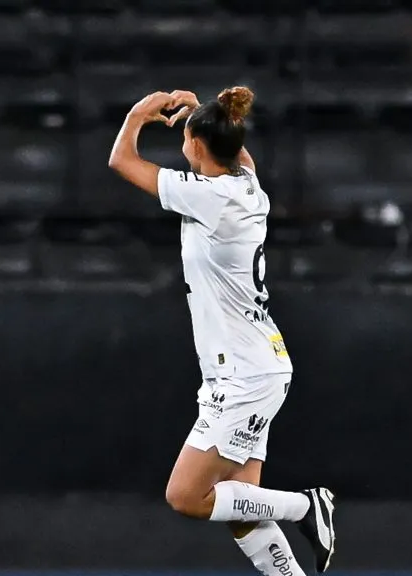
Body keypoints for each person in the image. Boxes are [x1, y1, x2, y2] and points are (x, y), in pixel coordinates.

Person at [107, 86, 337, 574]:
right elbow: (232, 150)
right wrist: (199, 112)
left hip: (244, 374)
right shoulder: (246, 183)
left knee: (187, 495)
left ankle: (305, 505)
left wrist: (138, 114)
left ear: (194, 145)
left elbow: (121, 161)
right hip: (252, 365)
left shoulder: (209, 196)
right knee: (242, 506)